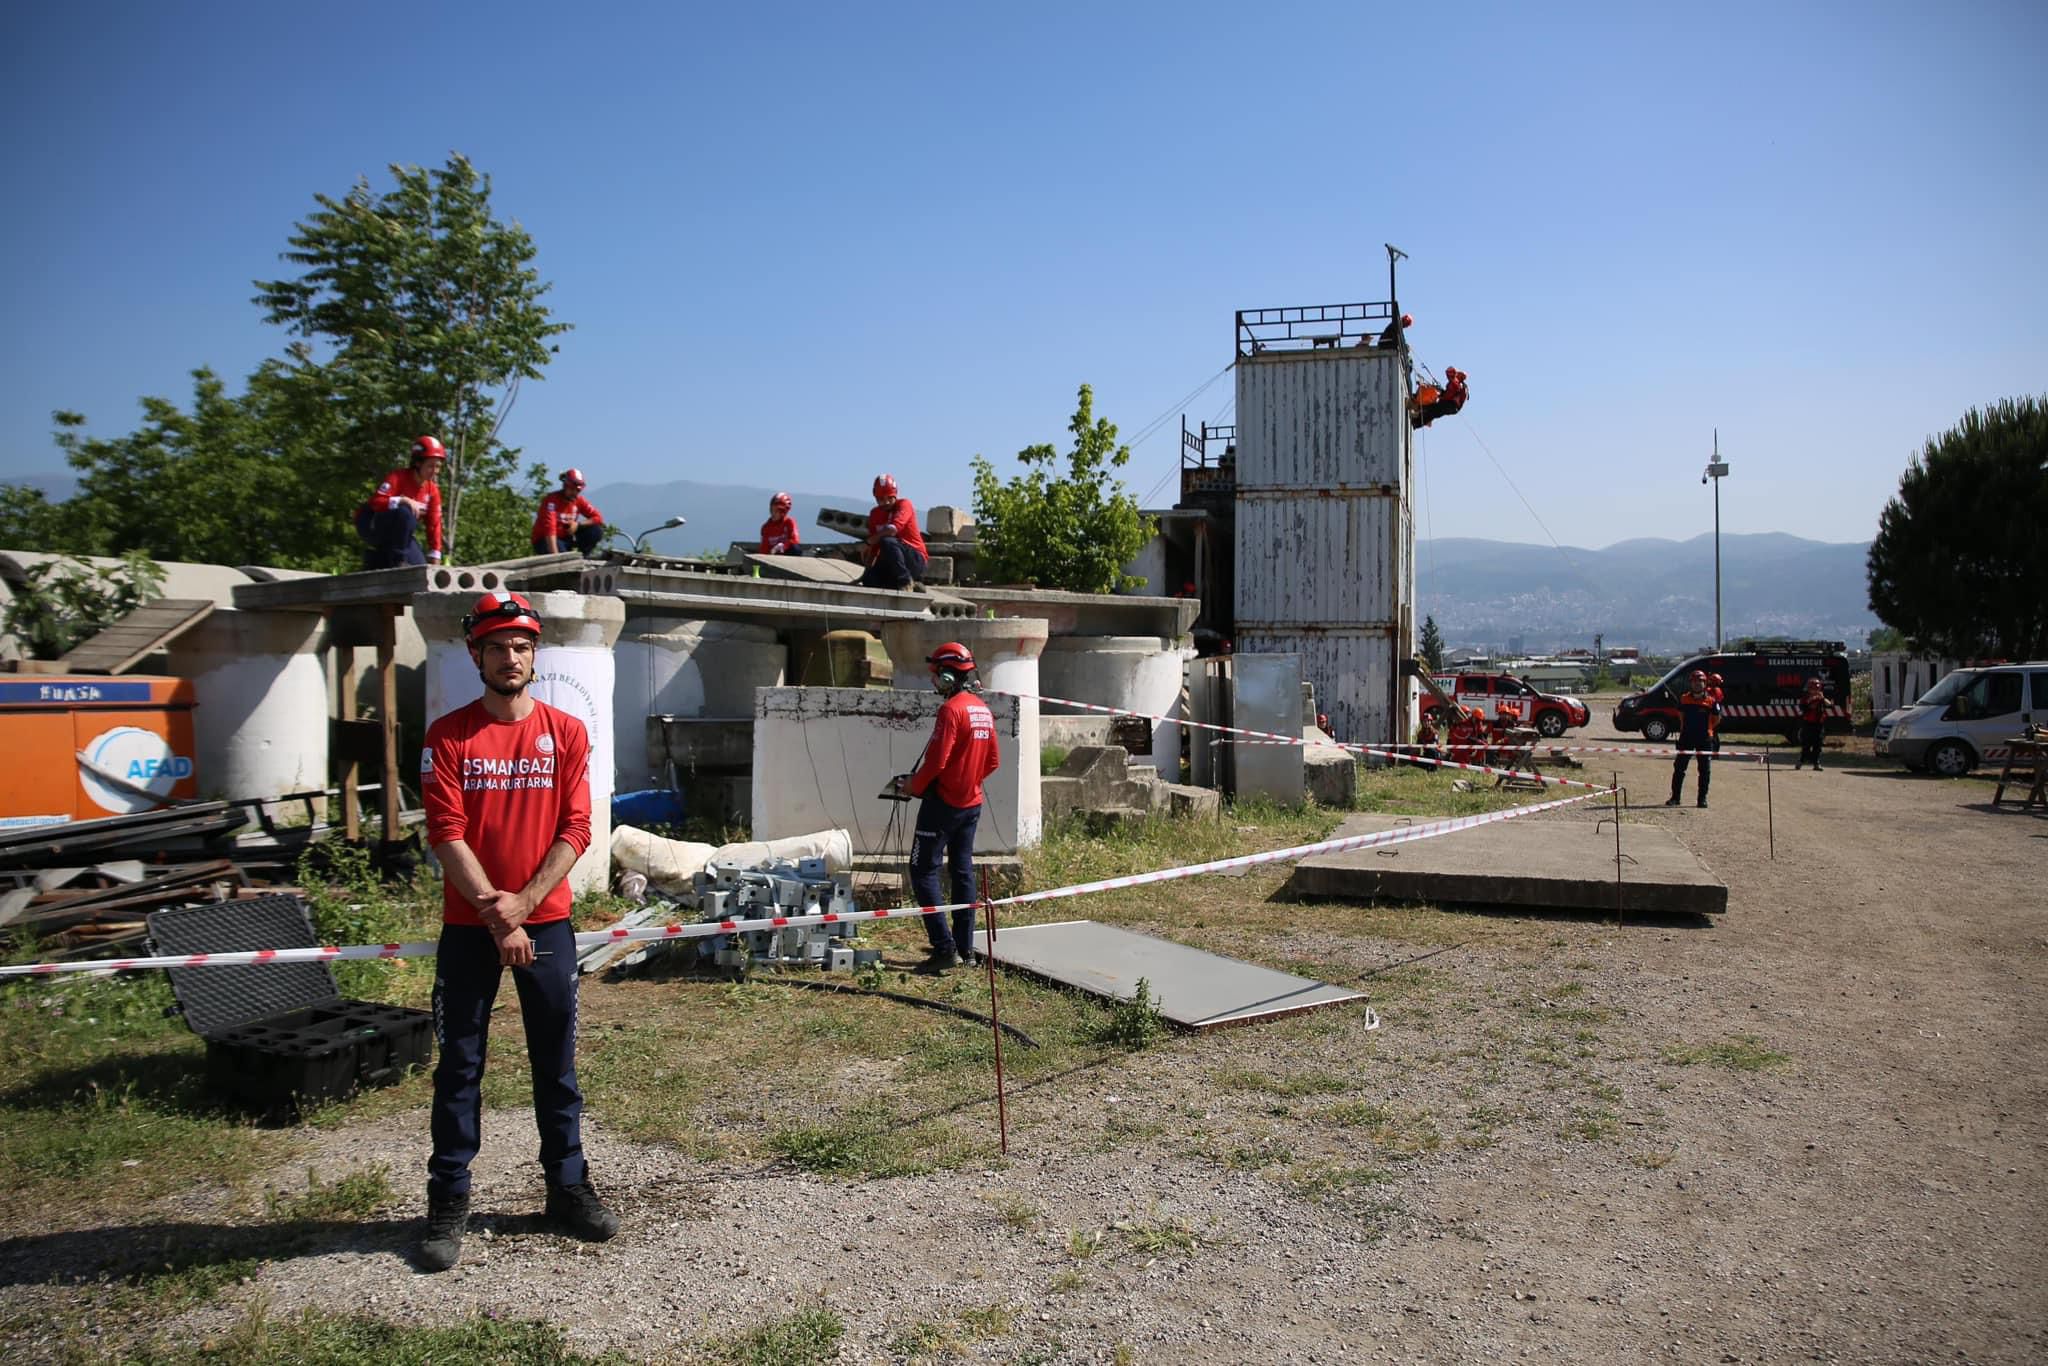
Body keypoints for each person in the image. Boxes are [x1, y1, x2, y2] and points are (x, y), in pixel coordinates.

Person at [415, 591, 618, 1272]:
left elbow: (577, 829)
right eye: (499, 647)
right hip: (470, 925)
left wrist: (523, 906)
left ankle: (566, 1187)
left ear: (536, 655)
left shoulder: (566, 732)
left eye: (523, 647)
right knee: (460, 1068)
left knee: (556, 1065)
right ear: (476, 654)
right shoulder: (448, 736)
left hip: (547, 922)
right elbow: (445, 834)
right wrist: (495, 912)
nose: (512, 658)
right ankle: (449, 1202)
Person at [894, 642, 1000, 974]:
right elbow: (993, 761)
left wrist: (914, 786)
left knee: (923, 870)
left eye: (937, 677)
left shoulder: (951, 710)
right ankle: (967, 950)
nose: (934, 684)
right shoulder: (982, 709)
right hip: (971, 804)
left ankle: (944, 949)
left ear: (950, 675)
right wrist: (967, 781)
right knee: (962, 871)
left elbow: (937, 761)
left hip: (942, 805)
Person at [355, 437, 445, 569]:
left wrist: (435, 554)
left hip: (400, 535)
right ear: (418, 463)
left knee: (419, 567)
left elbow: (434, 524)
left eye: (438, 466)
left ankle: (376, 560)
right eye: (430, 466)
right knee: (405, 512)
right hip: (372, 524)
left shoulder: (433, 490)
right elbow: (376, 502)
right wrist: (403, 500)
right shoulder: (398, 477)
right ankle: (398, 562)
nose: (435, 471)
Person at [856, 474, 928, 590]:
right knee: (870, 580)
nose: (886, 502)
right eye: (881, 499)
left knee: (887, 541)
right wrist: (867, 572)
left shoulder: (904, 505)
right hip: (892, 560)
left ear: (896, 495)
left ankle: (906, 581)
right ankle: (911, 585)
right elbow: (875, 548)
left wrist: (868, 542)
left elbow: (893, 529)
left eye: (890, 498)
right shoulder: (875, 514)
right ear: (875, 497)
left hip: (914, 559)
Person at [1666, 669, 1719, 809]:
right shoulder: (1684, 699)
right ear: (1691, 683)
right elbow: (1681, 715)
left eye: (1700, 682)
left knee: (1704, 770)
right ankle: (1675, 798)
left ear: (1704, 683)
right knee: (1679, 768)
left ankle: (1702, 799)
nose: (1697, 684)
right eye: (1694, 682)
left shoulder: (1711, 701)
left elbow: (1716, 719)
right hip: (1686, 737)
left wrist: (1708, 729)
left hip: (1705, 739)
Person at [531, 469, 606, 556]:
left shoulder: (579, 501)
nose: (574, 493)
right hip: (544, 540)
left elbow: (598, 518)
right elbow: (549, 529)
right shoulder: (551, 501)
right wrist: (556, 558)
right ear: (564, 486)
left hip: (565, 539)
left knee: (595, 531)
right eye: (571, 489)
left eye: (577, 491)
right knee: (563, 556)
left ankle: (583, 557)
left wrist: (578, 524)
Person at [1794, 677, 1829, 771]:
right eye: (1812, 688)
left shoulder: (1821, 697)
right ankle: (1801, 761)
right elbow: (1802, 708)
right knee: (1806, 745)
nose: (1815, 690)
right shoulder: (1805, 698)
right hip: (1808, 724)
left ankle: (1816, 763)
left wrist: (1822, 698)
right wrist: (1811, 703)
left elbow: (1829, 704)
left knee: (1818, 744)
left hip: (1819, 724)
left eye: (1816, 688)